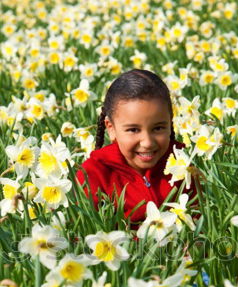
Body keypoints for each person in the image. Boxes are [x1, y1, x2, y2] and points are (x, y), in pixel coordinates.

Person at [76, 69, 196, 224]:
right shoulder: (92, 174)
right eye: (133, 130)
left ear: (170, 122)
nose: (147, 142)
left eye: (158, 128)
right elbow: (80, 233)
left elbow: (198, 223)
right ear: (111, 128)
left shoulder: (182, 165)